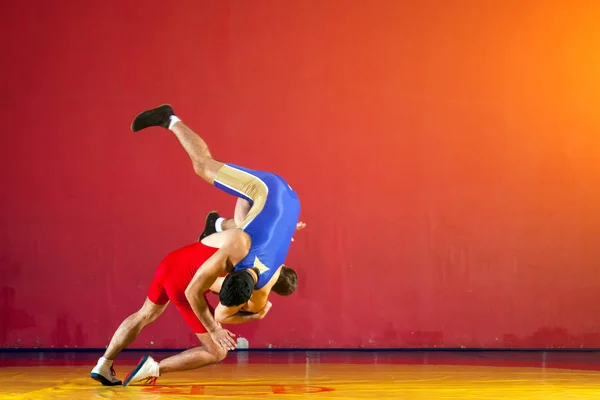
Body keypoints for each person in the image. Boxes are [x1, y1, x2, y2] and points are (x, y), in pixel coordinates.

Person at [131, 104, 301, 326]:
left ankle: (217, 225)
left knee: (242, 228)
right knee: (203, 166)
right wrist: (251, 316)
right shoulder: (243, 255)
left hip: (291, 205)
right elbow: (243, 200)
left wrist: (287, 226)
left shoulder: (266, 277)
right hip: (269, 189)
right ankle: (169, 118)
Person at [90, 231, 277, 387]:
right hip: (184, 285)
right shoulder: (236, 276)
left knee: (145, 314)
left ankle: (104, 363)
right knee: (217, 351)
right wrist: (215, 329)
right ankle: (153, 368)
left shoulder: (245, 240)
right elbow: (195, 295)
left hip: (170, 263)